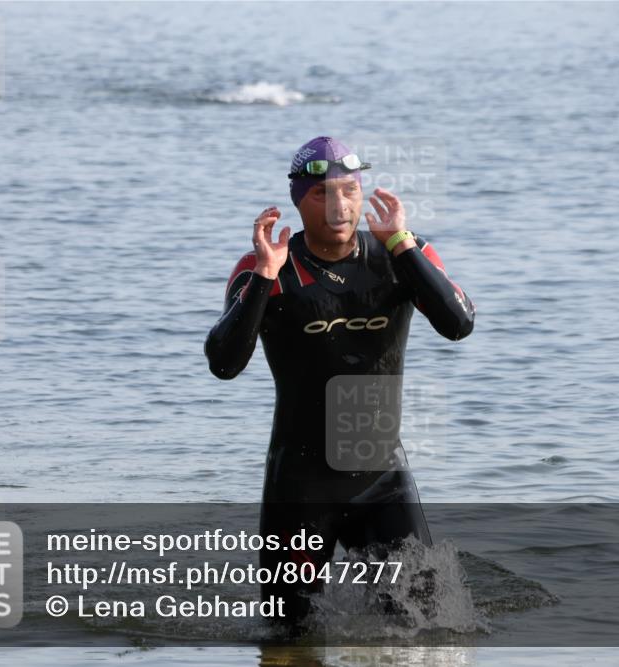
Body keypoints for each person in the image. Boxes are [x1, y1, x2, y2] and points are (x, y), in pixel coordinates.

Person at [204, 136, 476, 631]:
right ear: (297, 200)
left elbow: (459, 324)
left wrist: (403, 246)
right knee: (288, 636)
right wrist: (266, 274)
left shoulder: (402, 256)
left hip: (382, 481)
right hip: (300, 485)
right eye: (321, 195)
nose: (339, 206)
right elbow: (224, 363)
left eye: (349, 190)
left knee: (430, 628)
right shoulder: (267, 270)